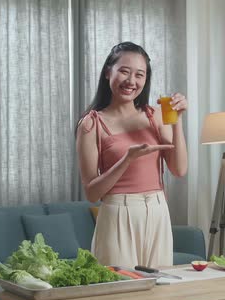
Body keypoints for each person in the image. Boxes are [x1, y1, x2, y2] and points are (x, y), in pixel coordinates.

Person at [76, 41, 188, 272]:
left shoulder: (154, 115)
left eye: (140, 74)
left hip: (157, 210)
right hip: (118, 213)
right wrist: (126, 159)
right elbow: (91, 193)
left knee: (160, 296)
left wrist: (177, 121)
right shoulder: (91, 123)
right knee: (121, 296)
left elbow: (179, 170)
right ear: (109, 72)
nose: (131, 81)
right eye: (124, 71)